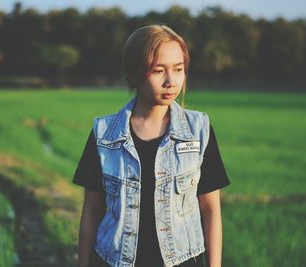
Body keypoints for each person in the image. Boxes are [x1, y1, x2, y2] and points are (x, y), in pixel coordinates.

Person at [73, 25, 230, 267]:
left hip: (182, 261)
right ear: (134, 75)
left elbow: (210, 210)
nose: (171, 81)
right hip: (114, 261)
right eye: (159, 71)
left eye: (179, 69)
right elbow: (91, 212)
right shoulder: (104, 135)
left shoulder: (199, 130)